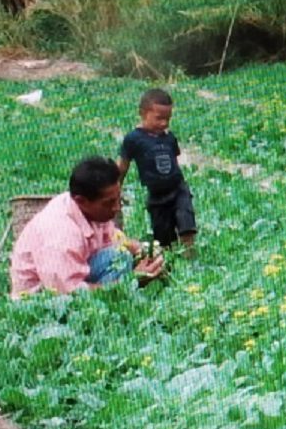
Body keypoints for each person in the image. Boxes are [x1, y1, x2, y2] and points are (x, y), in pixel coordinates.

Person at [10, 156, 164, 299]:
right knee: (120, 259)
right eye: (109, 203)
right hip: (43, 298)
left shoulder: (89, 210)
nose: (117, 208)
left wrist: (141, 249)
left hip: (69, 276)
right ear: (82, 201)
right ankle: (115, 304)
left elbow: (111, 238)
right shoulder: (60, 234)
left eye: (118, 199)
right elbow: (67, 293)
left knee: (120, 253)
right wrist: (132, 279)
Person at [118, 88, 197, 252]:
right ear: (143, 113)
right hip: (156, 196)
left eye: (168, 119)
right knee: (164, 239)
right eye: (159, 118)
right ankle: (170, 262)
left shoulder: (169, 137)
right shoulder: (133, 139)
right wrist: (116, 189)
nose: (164, 123)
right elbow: (123, 166)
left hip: (178, 189)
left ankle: (191, 257)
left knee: (186, 224)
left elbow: (174, 163)